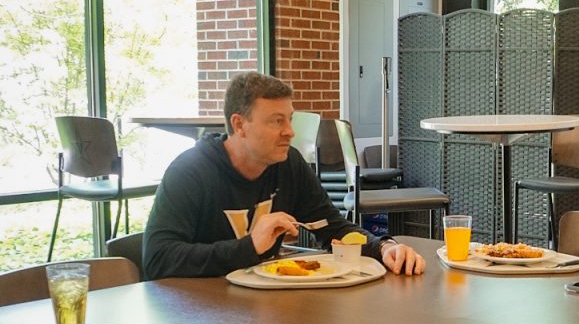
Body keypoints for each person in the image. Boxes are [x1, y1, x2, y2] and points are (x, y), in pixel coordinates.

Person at [143, 72, 425, 280]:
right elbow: (158, 260)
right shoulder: (190, 171)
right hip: (199, 311)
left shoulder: (288, 164)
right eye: (277, 121)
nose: (290, 131)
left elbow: (335, 230)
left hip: (261, 311)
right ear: (239, 125)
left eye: (289, 118)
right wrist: (250, 247)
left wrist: (384, 247)